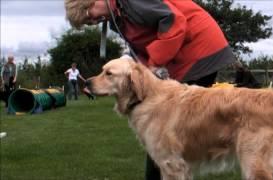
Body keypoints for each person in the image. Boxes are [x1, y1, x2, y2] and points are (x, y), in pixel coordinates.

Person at [64, 0, 237, 179]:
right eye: (90, 23)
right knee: (163, 131)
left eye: (88, 15)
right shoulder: (117, 16)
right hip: (184, 54)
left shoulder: (131, 2)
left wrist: (153, 64)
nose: (95, 20)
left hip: (198, 50)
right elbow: (143, 44)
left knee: (160, 128)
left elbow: (174, 21)